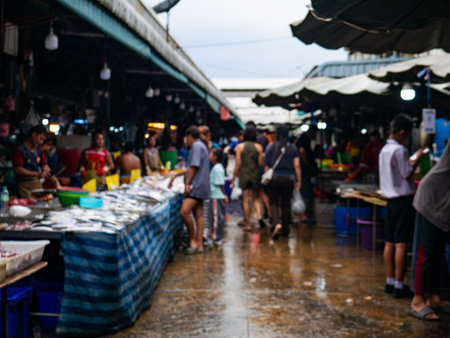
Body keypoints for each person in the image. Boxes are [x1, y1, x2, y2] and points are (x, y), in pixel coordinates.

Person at [379, 114, 425, 298]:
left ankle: (389, 281)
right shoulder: (400, 150)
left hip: (390, 200)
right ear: (402, 133)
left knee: (389, 241)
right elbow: (407, 173)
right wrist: (419, 157)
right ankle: (399, 284)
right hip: (402, 200)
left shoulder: (384, 150)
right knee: (401, 244)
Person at [407, 140, 450, 321]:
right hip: (431, 200)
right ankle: (417, 300)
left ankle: (434, 297)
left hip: (444, 205)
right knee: (425, 254)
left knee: (438, 253)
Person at [169, 126, 210, 254]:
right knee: (199, 214)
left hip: (196, 186)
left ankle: (193, 241)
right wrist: (177, 175)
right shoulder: (202, 146)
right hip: (202, 185)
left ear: (189, 136)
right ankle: (199, 244)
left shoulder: (196, 147)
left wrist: (187, 184)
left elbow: (193, 167)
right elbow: (191, 167)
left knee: (184, 212)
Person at [264, 125, 301, 239]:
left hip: (274, 178)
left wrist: (268, 176)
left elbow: (266, 165)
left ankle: (276, 224)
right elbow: (297, 165)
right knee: (286, 203)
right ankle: (285, 229)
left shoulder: (271, 146)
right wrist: (298, 180)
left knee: (273, 203)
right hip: (289, 179)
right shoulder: (293, 147)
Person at [231, 126, 264, 232]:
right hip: (255, 174)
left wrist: (234, 176)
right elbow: (260, 163)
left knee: (245, 200)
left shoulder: (240, 147)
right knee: (255, 198)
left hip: (244, 174)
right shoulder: (259, 147)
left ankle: (248, 225)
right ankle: (259, 217)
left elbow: (238, 164)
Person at [13, 125, 60, 199]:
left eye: (43, 140)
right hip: (23, 184)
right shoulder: (20, 150)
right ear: (34, 134)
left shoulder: (39, 150)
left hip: (36, 183)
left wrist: (56, 182)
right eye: (40, 138)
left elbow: (45, 166)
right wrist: (38, 173)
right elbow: (18, 169)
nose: (41, 142)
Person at [204, 148, 228, 245]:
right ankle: (216, 235)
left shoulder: (217, 168)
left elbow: (220, 183)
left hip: (216, 195)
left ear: (215, 157)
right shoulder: (217, 167)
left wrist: (224, 194)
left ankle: (216, 236)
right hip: (216, 195)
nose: (209, 156)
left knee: (216, 217)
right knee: (216, 216)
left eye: (211, 154)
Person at [296, 125, 318, 223]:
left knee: (306, 193)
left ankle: (305, 214)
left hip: (304, 170)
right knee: (305, 193)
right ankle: (304, 215)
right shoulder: (304, 139)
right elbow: (302, 151)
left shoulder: (305, 140)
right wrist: (307, 163)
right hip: (303, 171)